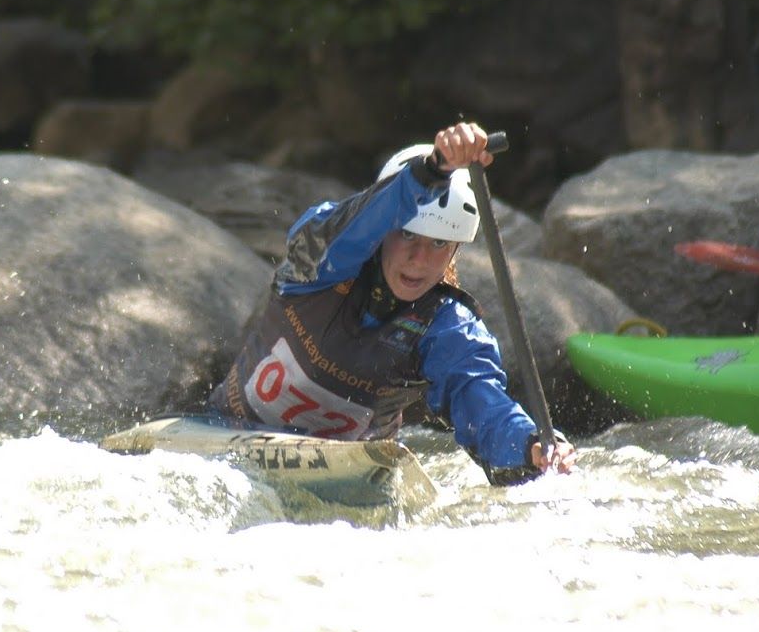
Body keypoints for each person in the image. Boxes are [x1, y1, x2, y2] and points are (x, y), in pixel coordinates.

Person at [207, 122, 576, 485]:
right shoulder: (320, 268)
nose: (419, 258)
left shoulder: (446, 325)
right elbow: (352, 226)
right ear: (383, 231)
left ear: (455, 251)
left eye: (438, 244)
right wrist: (431, 172)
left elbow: (479, 399)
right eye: (408, 235)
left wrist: (531, 445)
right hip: (231, 432)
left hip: (348, 475)